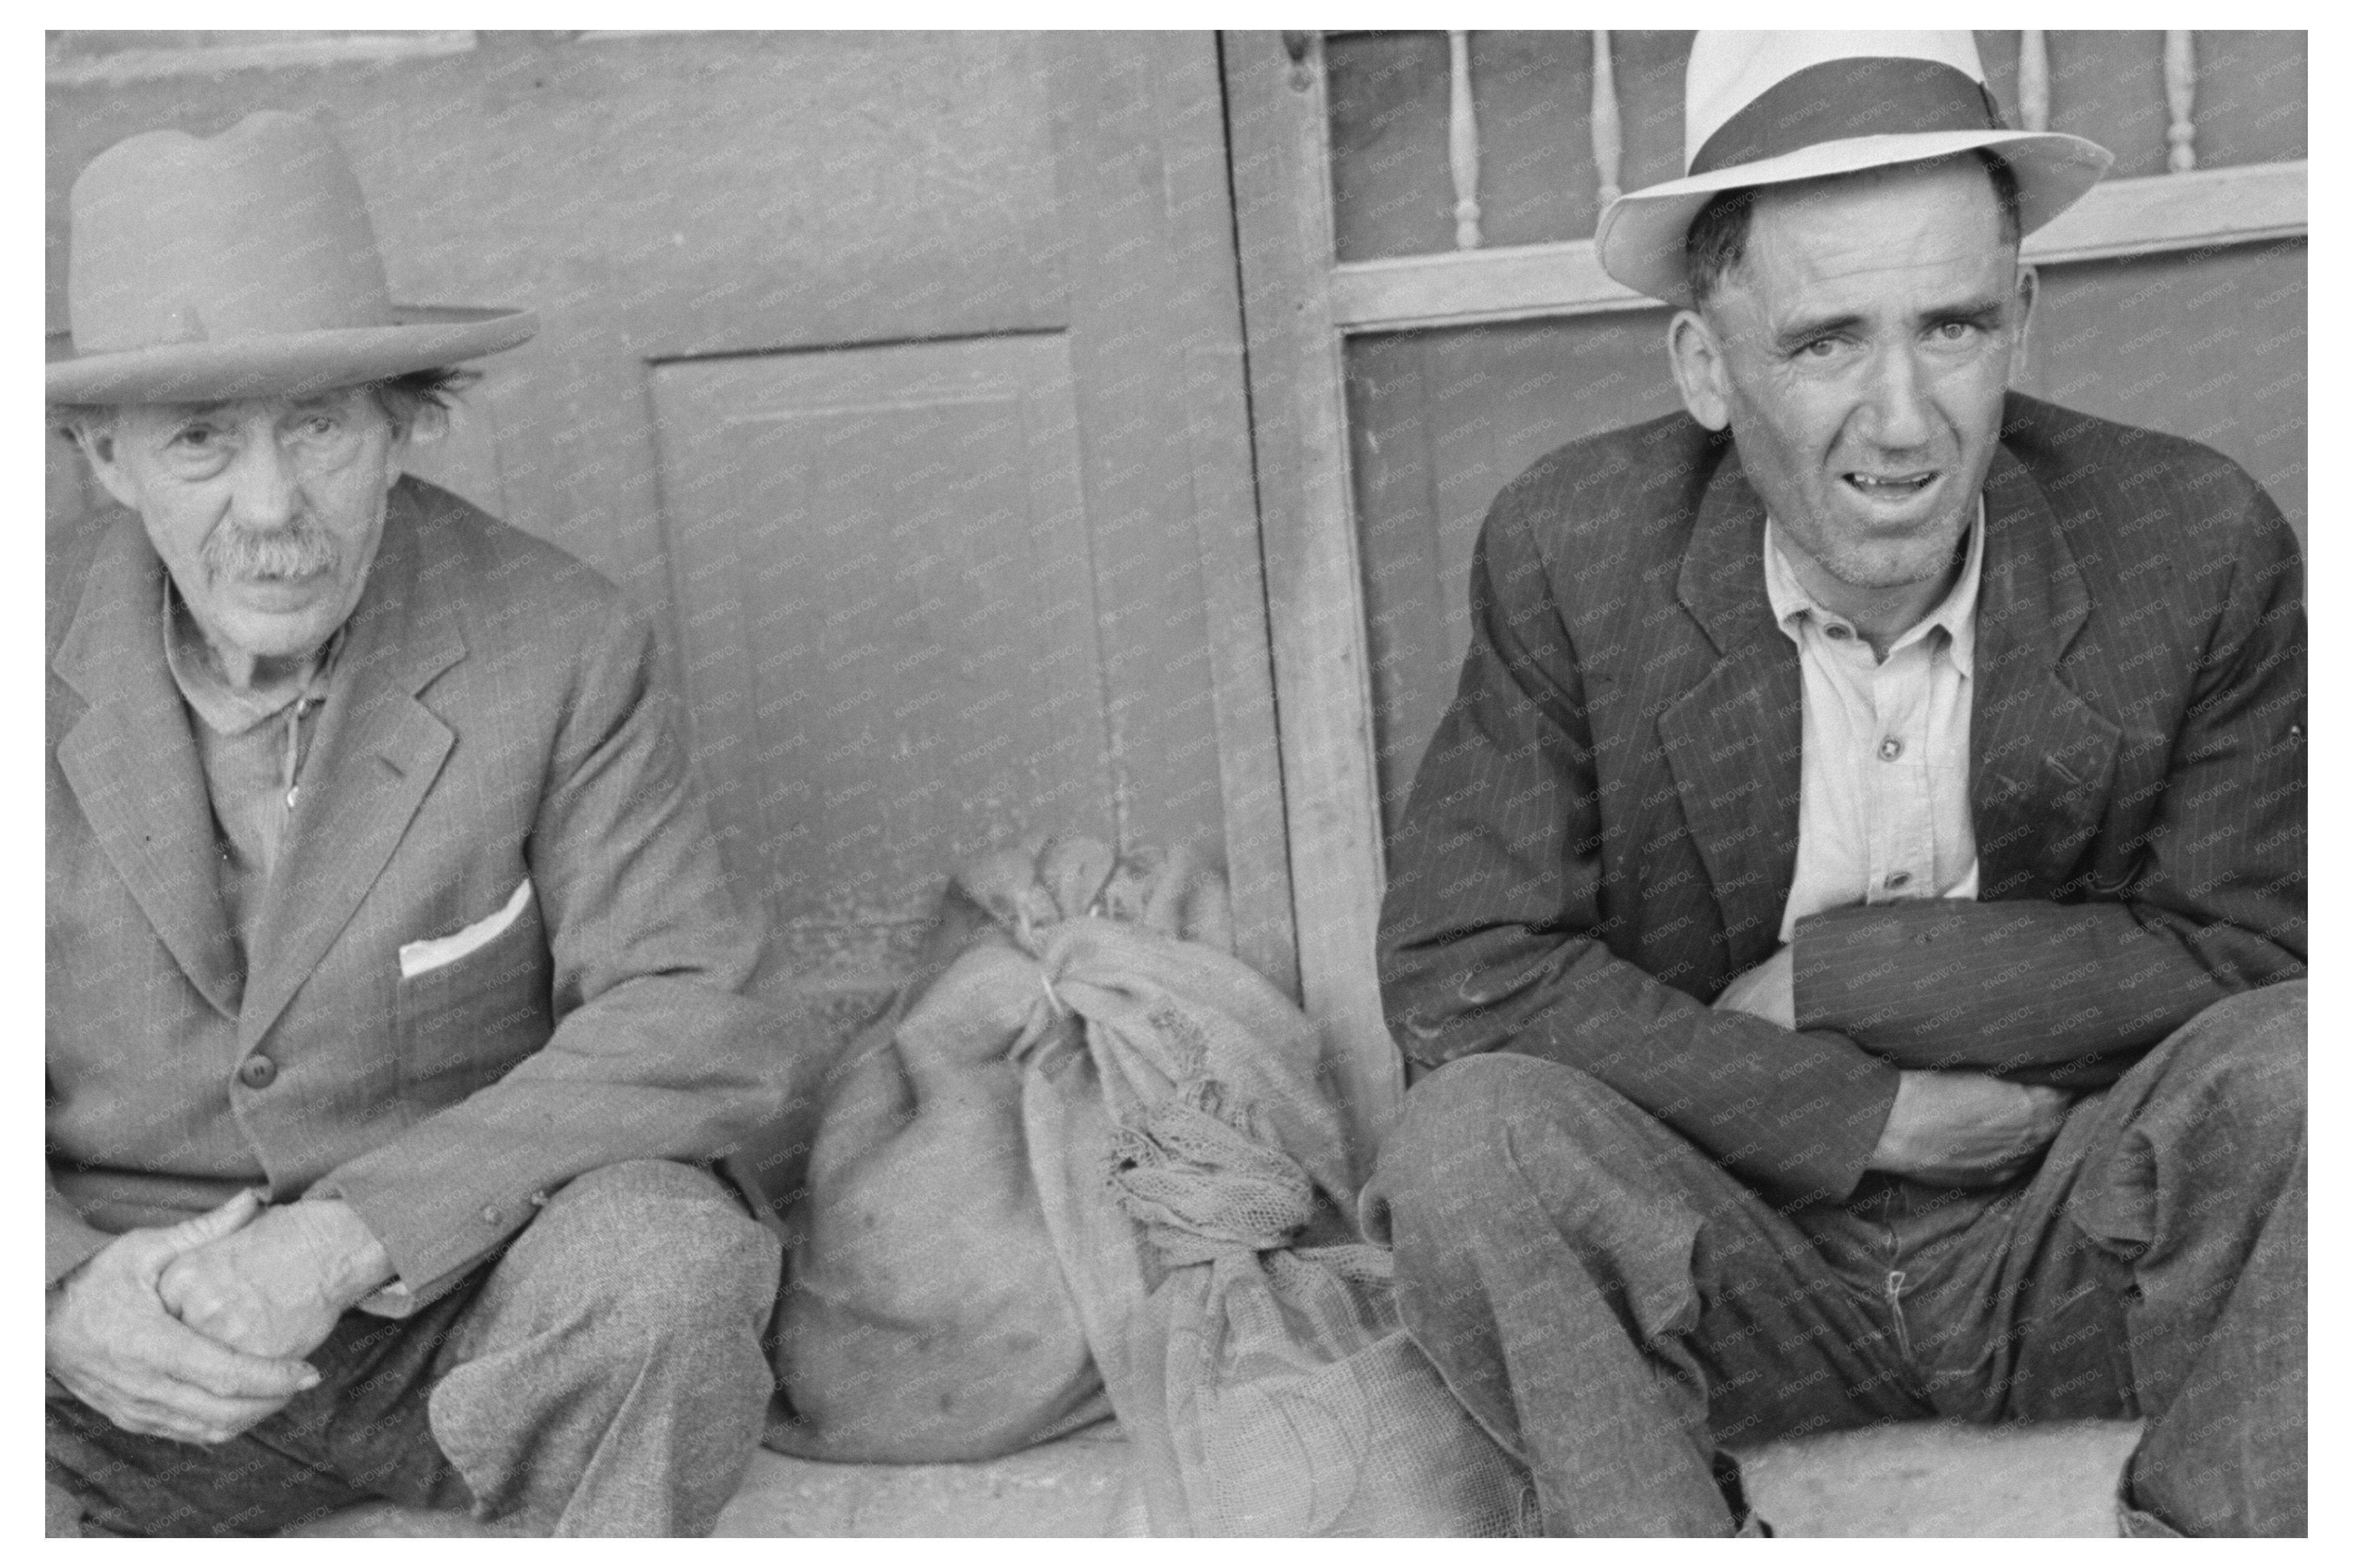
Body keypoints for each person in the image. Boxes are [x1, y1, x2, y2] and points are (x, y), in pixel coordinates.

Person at [1365, 31, 2304, 1538]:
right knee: (1469, 1142)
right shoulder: (1572, 548)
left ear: (2021, 316)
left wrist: (1838, 977)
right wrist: (1846, 1111)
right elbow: (1459, 975)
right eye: (1822, 343)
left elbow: (2260, 950)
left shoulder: (2188, 538)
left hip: (2076, 1236)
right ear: (1703, 366)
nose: (1900, 421)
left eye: (1949, 328)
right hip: (1737, 1259)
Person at [45, 111, 805, 1537]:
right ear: (104, 461)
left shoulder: (555, 639)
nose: (275, 510)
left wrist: (345, 1238)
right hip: (113, 1353)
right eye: (201, 443)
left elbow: (700, 1012)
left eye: (321, 427)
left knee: (672, 1276)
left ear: (403, 427)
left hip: (454, 1307)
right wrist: (60, 1295)